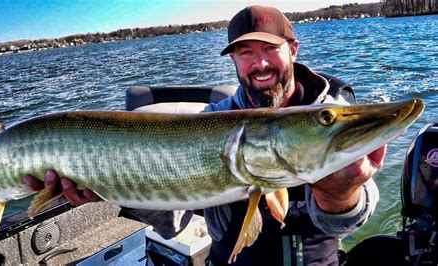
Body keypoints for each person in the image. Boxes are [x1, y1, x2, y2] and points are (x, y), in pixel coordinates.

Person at [25, 5, 385, 265]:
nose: (258, 64)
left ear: (292, 48)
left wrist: (341, 195)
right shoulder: (213, 120)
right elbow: (173, 219)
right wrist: (115, 191)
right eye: (245, 53)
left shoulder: (332, 112)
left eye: (268, 49)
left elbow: (356, 217)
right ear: (233, 61)